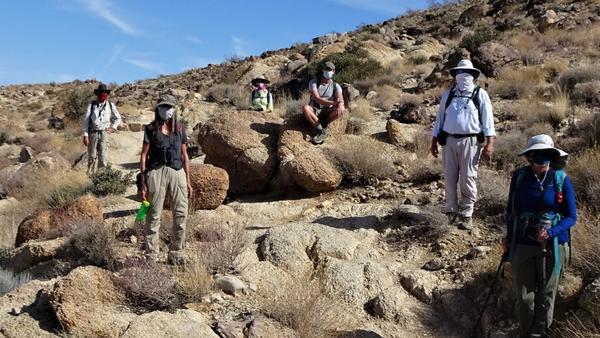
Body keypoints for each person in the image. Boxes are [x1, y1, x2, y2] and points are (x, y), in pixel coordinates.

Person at [505, 134, 576, 337]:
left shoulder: (560, 179)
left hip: (553, 244)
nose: (541, 162)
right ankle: (526, 330)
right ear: (530, 157)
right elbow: (511, 212)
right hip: (524, 243)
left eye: (546, 156)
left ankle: (540, 332)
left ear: (552, 157)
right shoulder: (520, 177)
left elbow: (571, 217)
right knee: (524, 295)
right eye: (537, 156)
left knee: (547, 294)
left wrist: (551, 231)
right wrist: (509, 239)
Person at [430, 59, 495, 229]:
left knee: (468, 176)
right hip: (449, 140)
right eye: (460, 73)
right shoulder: (448, 95)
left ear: (473, 76)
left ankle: (467, 213)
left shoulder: (480, 94)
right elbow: (440, 120)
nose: (463, 76)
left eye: (466, 74)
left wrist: (490, 143)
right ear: (455, 75)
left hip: (471, 142)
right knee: (450, 176)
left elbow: (488, 120)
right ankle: (451, 210)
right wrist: (434, 141)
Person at [139, 94, 193, 265]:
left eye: (169, 107)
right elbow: (143, 156)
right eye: (163, 107)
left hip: (177, 171)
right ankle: (151, 255)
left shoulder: (180, 129)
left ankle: (176, 252)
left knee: (181, 212)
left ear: (174, 109)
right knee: (153, 213)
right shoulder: (151, 129)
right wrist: (143, 182)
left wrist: (188, 181)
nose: (166, 110)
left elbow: (185, 155)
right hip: (156, 171)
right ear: (158, 109)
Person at [302, 61, 345, 144]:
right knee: (306, 108)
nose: (327, 72)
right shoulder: (314, 82)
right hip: (315, 109)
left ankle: (324, 124)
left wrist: (340, 104)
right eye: (326, 69)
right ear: (322, 71)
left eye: (329, 70)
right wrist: (333, 102)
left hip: (327, 112)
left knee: (341, 109)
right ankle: (321, 130)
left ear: (334, 71)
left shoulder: (336, 85)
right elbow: (317, 98)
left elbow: (341, 99)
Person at [82, 83, 121, 173]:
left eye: (104, 93)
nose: (103, 94)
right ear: (97, 94)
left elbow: (118, 118)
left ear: (107, 94)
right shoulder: (92, 105)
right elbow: (86, 120)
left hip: (104, 133)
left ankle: (101, 176)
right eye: (101, 93)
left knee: (103, 155)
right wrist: (85, 135)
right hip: (93, 132)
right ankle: (90, 174)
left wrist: (113, 128)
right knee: (92, 155)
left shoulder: (110, 105)